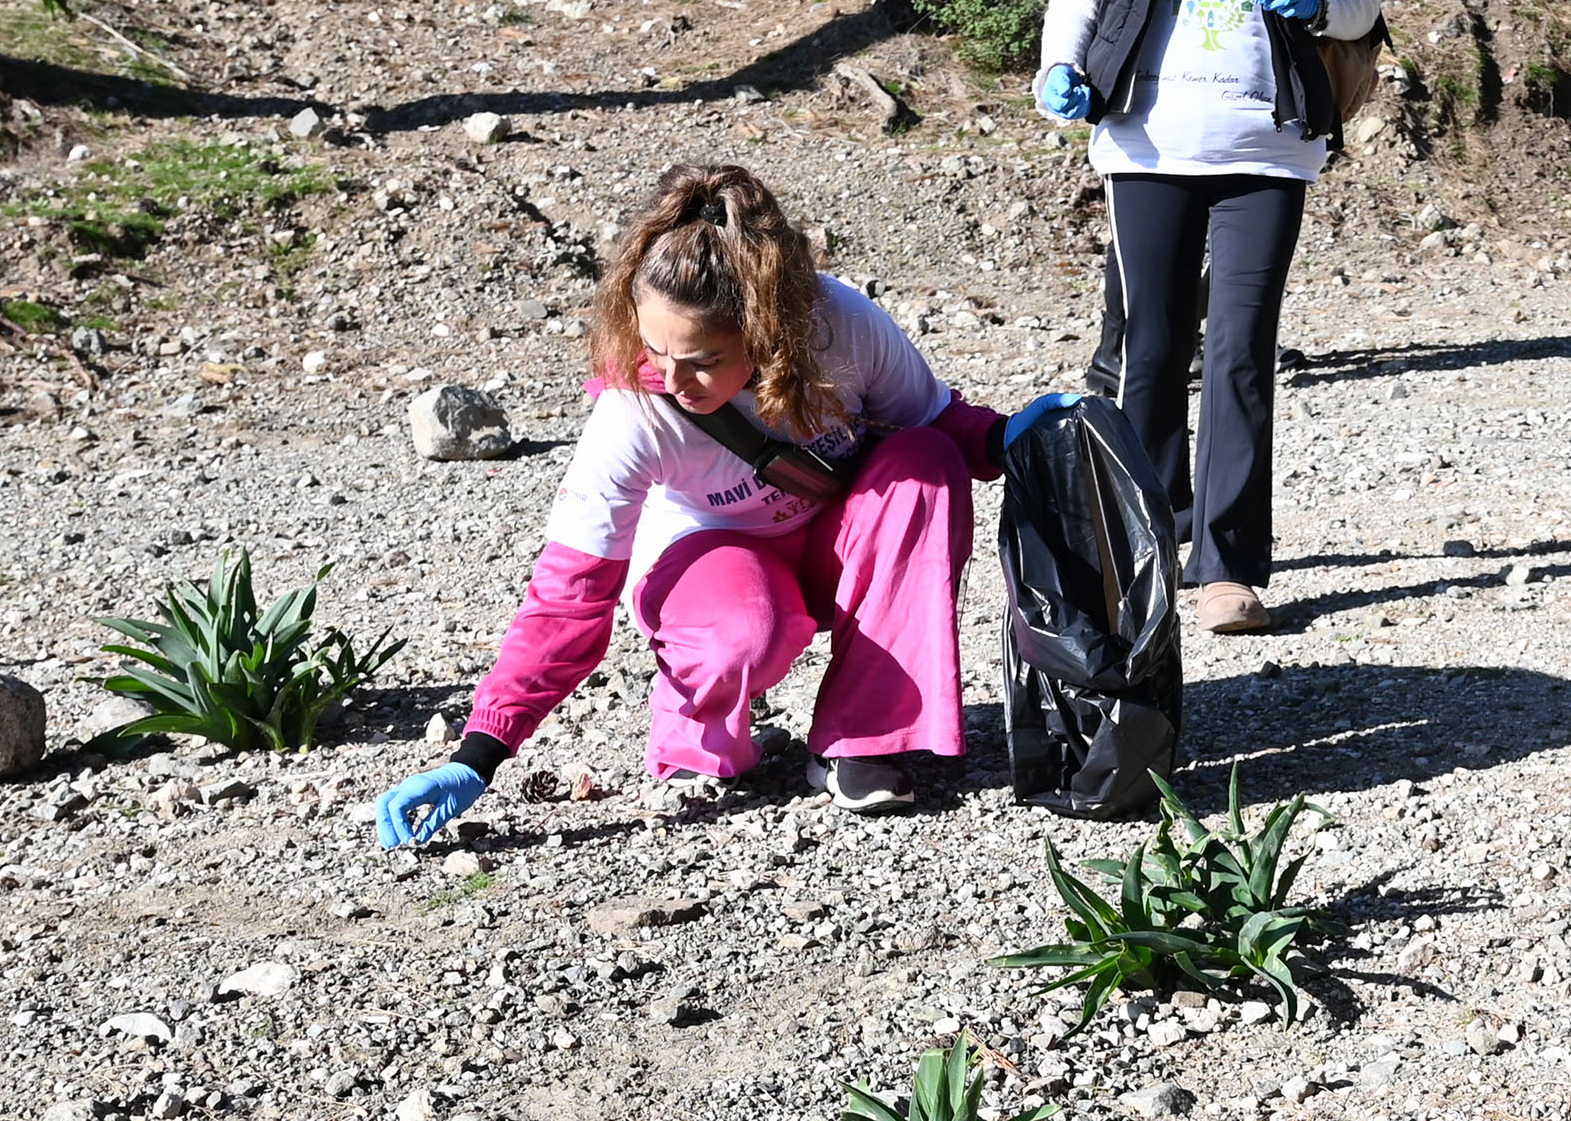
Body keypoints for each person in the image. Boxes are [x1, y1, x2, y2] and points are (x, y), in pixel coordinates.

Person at [370, 166, 1060, 840]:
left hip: (834, 543)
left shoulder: (842, 328)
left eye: (702, 359)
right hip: (710, 562)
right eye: (652, 349)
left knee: (925, 466)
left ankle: (859, 741)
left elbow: (937, 424)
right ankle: (696, 722)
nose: (671, 379)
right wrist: (477, 754)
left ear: (768, 333)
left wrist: (1013, 436)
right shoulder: (635, 410)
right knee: (742, 634)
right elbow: (569, 598)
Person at [1033, 0, 1386, 635]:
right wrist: (1058, 65)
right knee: (1148, 352)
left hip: (1265, 147)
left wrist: (1317, 0)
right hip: (1146, 141)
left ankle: (1226, 563)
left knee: (1236, 354)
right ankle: (1144, 550)